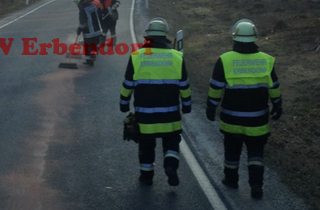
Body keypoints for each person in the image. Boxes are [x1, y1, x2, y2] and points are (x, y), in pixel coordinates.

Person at [206, 19, 283, 199]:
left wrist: (211, 106)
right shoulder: (266, 60)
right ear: (255, 39)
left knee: (232, 151)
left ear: (235, 39)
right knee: (256, 153)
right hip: (258, 119)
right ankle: (256, 185)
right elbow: (274, 87)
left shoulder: (225, 60)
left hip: (231, 119)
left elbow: (216, 87)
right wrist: (278, 104)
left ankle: (231, 180)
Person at [120, 18, 192, 186]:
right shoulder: (177, 57)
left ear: (148, 37)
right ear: (165, 35)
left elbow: (128, 85)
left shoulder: (137, 57)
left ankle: (146, 177)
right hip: (171, 116)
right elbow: (184, 86)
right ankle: (170, 165)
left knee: (146, 146)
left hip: (145, 117)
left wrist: (124, 103)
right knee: (172, 142)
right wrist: (187, 106)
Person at [72, 0, 104, 66]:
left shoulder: (82, 10)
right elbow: (99, 16)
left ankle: (89, 61)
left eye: (77, 3)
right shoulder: (93, 6)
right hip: (97, 30)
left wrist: (79, 29)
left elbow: (83, 22)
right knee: (94, 45)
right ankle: (93, 56)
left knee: (87, 46)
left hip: (89, 32)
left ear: (79, 2)